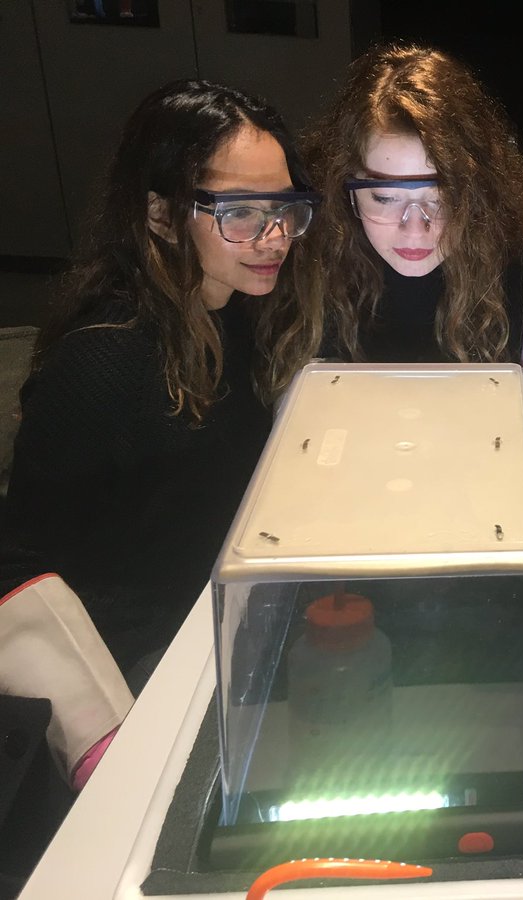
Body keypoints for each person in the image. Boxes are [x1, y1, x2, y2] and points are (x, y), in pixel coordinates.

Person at [0, 78, 325, 683]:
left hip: (231, 622)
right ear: (161, 215)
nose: (275, 235)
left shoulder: (241, 309)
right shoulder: (103, 360)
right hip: (145, 670)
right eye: (239, 212)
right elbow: (21, 568)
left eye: (283, 207)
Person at [307, 41, 523, 365]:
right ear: (346, 190)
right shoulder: (312, 261)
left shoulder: (521, 258)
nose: (415, 230)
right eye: (385, 198)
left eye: (443, 199)